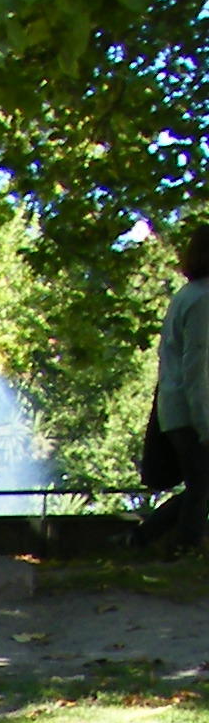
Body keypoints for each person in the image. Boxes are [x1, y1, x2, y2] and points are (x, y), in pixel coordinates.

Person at [145, 228, 209, 555]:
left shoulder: (189, 295)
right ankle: (184, 546)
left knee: (202, 484)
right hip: (190, 410)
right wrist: (204, 423)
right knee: (201, 485)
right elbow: (196, 367)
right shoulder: (203, 300)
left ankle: (143, 538)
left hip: (176, 406)